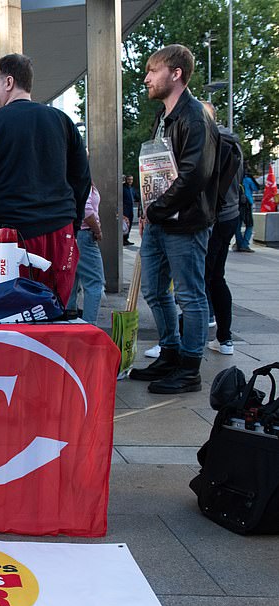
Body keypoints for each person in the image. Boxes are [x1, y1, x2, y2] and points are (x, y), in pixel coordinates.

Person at [0, 53, 91, 305]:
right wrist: (71, 222)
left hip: (6, 238)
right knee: (53, 312)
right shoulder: (62, 121)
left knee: (4, 316)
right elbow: (81, 178)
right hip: (58, 234)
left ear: (8, 82)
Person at [128, 44, 218, 394]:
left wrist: (157, 208)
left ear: (175, 73)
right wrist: (150, 209)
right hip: (161, 221)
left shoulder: (194, 116)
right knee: (154, 290)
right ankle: (170, 352)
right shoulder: (166, 116)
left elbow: (195, 174)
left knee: (190, 296)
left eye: (153, 71)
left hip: (185, 223)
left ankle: (189, 367)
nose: (147, 77)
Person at [201, 101, 242, 355]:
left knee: (202, 277)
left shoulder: (212, 142)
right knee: (216, 276)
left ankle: (203, 328)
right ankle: (224, 337)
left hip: (213, 217)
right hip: (231, 215)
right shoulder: (233, 143)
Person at [67, 182, 106, 325]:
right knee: (94, 282)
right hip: (85, 236)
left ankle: (69, 321)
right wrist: (97, 230)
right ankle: (90, 326)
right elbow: (87, 211)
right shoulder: (82, 180)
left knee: (72, 282)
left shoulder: (69, 178)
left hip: (71, 234)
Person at [236, 166, 258, 252]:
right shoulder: (248, 180)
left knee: (238, 225)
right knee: (249, 225)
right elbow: (256, 188)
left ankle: (239, 243)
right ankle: (244, 244)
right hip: (247, 204)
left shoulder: (236, 178)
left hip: (237, 204)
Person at [122, 175, 139, 246]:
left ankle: (126, 239)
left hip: (130, 209)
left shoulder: (132, 188)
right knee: (125, 225)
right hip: (125, 209)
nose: (130, 181)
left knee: (130, 224)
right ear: (126, 180)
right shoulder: (123, 188)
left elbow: (136, 197)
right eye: (129, 180)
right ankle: (122, 239)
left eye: (131, 180)